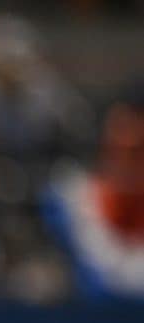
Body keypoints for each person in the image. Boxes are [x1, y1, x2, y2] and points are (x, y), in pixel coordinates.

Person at [42, 79, 144, 302]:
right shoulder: (70, 197)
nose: (130, 163)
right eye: (122, 150)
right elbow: (100, 283)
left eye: (138, 153)